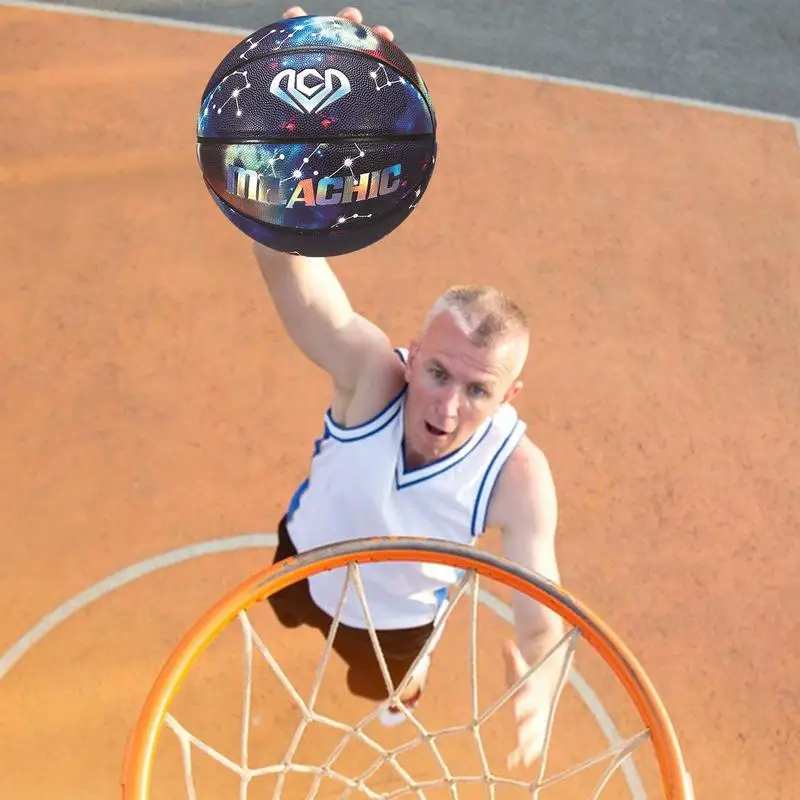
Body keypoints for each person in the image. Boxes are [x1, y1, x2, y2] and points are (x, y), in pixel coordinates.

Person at [258, 5, 567, 770]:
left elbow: (540, 603)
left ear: (511, 397)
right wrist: (281, 151)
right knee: (285, 612)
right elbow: (303, 287)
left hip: (397, 620)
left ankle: (412, 681)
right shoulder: (372, 378)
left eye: (478, 391)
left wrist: (542, 669)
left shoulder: (518, 477)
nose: (447, 404)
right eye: (436, 372)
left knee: (386, 689)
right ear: (413, 351)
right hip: (308, 556)